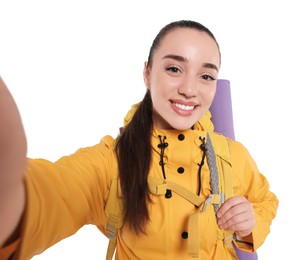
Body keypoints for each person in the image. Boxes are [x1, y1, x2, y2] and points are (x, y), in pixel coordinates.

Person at [0, 20, 278, 259]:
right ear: (147, 73)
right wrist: (10, 191)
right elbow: (53, 194)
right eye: (174, 69)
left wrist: (249, 225)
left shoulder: (233, 156)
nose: (190, 89)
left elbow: (265, 199)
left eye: (206, 76)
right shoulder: (113, 161)